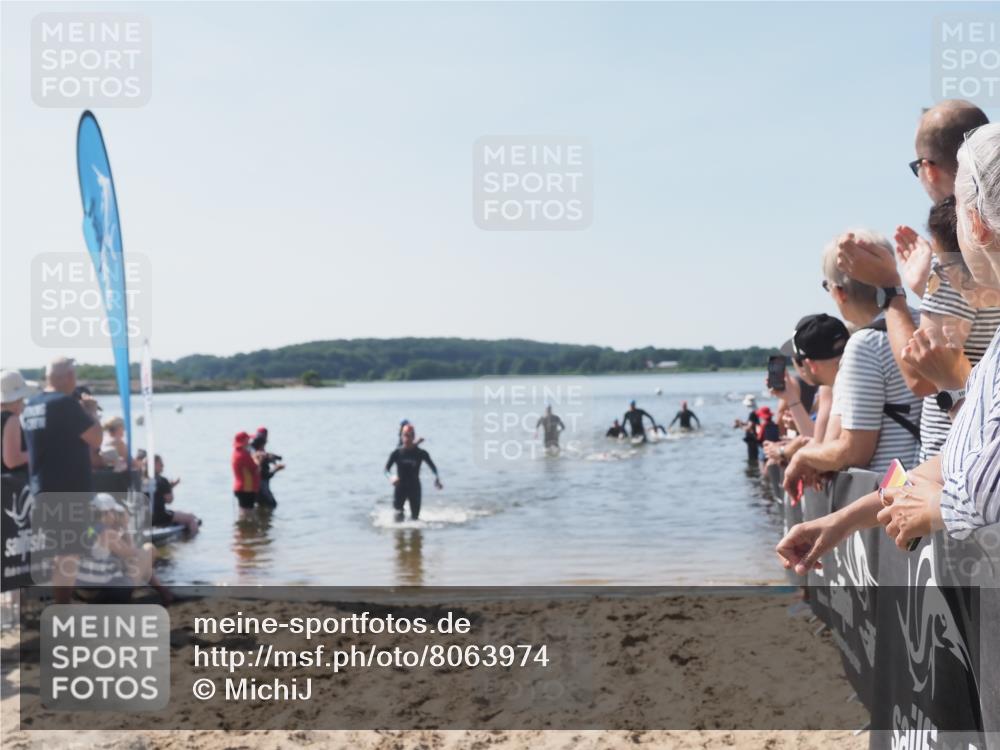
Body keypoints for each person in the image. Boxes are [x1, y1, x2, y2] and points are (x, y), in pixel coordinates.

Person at [777, 123, 1000, 569]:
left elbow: (978, 490)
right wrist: (841, 520)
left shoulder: (884, 337)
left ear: (975, 224)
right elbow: (951, 459)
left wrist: (939, 506)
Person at [21, 357, 103, 603]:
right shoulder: (65, 404)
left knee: (61, 551)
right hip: (68, 487)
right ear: (68, 377)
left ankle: (62, 603)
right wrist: (90, 412)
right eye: (75, 375)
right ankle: (63, 608)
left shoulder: (32, 404)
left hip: (42, 486)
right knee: (68, 553)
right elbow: (96, 439)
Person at [896, 100, 990, 296]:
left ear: (929, 169)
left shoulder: (953, 248)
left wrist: (891, 292)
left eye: (917, 167)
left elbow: (937, 328)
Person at [385, 423, 442, 522]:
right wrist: (391, 477)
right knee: (397, 518)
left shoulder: (421, 453)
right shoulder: (397, 453)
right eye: (405, 435)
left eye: (410, 435)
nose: (407, 438)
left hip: (414, 487)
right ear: (402, 436)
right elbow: (386, 470)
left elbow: (434, 468)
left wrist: (437, 478)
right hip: (400, 488)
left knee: (415, 519)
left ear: (413, 436)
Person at [151, 455, 200, 535]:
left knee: (178, 512)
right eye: (161, 463)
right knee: (191, 518)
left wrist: (170, 486)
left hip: (144, 517)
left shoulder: (139, 478)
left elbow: (155, 494)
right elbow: (169, 500)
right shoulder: (162, 480)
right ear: (154, 464)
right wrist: (170, 488)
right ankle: (192, 540)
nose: (163, 466)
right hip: (160, 517)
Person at [1, 369, 37, 475]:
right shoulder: (11, 419)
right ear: (18, 399)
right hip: (11, 486)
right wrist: (40, 451)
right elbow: (12, 460)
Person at [251, 427, 284, 509]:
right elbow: (265, 475)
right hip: (262, 488)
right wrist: (276, 469)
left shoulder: (253, 451)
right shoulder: (259, 457)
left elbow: (269, 456)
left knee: (260, 508)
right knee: (272, 505)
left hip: (253, 488)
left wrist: (275, 458)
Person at [231, 431, 260, 517]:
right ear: (244, 442)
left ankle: (245, 529)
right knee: (248, 514)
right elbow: (255, 468)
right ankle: (246, 529)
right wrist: (257, 458)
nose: (249, 442)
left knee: (244, 513)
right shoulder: (243, 455)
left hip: (241, 487)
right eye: (248, 440)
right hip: (246, 488)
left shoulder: (236, 453)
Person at [733, 395, 760, 461]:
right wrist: (742, 423)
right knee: (754, 456)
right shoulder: (755, 412)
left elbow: (748, 428)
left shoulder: (752, 414)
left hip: (752, 439)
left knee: (753, 457)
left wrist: (739, 425)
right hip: (754, 438)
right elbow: (751, 424)